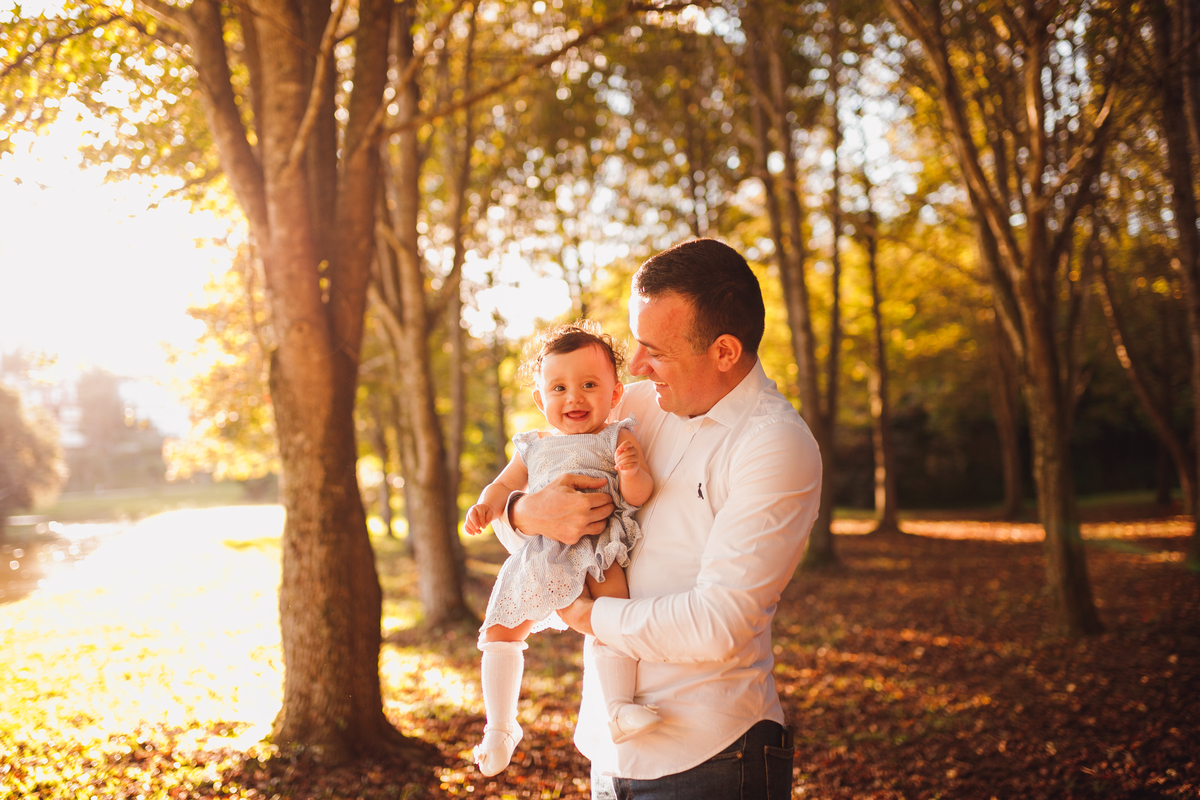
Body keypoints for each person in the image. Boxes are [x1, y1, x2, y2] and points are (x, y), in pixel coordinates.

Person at [493, 238, 822, 799]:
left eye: (656, 350)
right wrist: (524, 513)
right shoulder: (637, 406)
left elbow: (717, 623)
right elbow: (524, 499)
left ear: (723, 351)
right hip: (606, 752)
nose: (638, 366)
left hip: (713, 758)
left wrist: (584, 615)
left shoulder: (775, 447)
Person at [465, 321, 664, 777]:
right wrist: (484, 506)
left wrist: (632, 471)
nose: (574, 397)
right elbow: (503, 487)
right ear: (540, 399)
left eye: (589, 385)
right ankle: (499, 726)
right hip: (539, 554)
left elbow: (638, 495)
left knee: (610, 619)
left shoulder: (617, 436)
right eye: (559, 387)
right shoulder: (532, 447)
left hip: (598, 547)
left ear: (615, 394)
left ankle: (617, 707)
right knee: (499, 630)